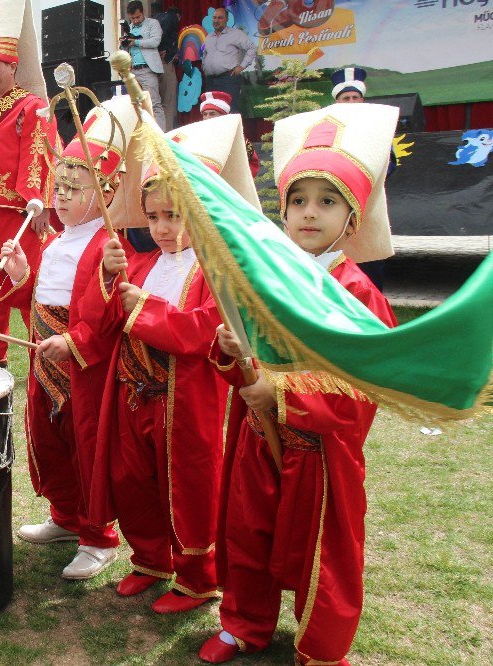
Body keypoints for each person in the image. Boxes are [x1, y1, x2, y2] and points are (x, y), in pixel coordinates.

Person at [198, 103, 399, 665]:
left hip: (323, 453)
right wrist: (230, 353)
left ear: (352, 219)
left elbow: (364, 385)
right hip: (257, 441)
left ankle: (322, 646)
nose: (310, 214)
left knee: (324, 552)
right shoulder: (267, 280)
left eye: (327, 202)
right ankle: (244, 623)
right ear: (282, 211)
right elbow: (242, 356)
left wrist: (282, 395)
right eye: (298, 201)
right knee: (247, 532)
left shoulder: (360, 295)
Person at [87, 114, 259, 615]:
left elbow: (201, 330)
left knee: (188, 485)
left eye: (176, 215)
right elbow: (105, 317)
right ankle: (149, 559)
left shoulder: (216, 271)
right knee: (134, 480)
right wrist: (108, 276)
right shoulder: (143, 263)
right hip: (131, 394)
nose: (163, 228)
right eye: (155, 215)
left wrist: (140, 306)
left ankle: (196, 578)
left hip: (184, 402)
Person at [0, 95, 139, 580]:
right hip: (44, 359)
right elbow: (36, 302)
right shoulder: (56, 240)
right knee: (48, 437)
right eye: (58, 186)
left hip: (84, 368)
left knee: (86, 444)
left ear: (104, 192)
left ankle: (98, 537)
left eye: (73, 189)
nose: (59, 196)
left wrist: (75, 341)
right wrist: (20, 275)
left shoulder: (109, 244)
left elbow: (108, 316)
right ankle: (65, 517)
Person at [0, 0, 58, 367]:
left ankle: (46, 354)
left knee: (27, 285)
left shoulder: (32, 106)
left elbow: (38, 153)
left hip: (18, 213)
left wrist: (38, 200)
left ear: (13, 66)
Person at [330, 66, 390, 290]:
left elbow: (389, 163)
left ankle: (373, 311)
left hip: (367, 203)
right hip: (336, 203)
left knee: (370, 258)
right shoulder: (329, 127)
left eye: (356, 97)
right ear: (338, 102)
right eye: (346, 98)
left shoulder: (377, 128)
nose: (352, 102)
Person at [201, 7, 255, 114]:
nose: (216, 21)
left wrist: (242, 66)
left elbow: (251, 48)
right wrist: (205, 68)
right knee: (212, 112)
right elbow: (205, 55)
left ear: (227, 20)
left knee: (230, 112)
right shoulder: (209, 37)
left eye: (220, 18)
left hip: (228, 80)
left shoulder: (235, 34)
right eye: (214, 18)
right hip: (211, 81)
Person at [122, 1, 166, 130]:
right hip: (132, 71)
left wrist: (135, 42)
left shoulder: (153, 23)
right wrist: (123, 43)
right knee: (135, 106)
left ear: (143, 12)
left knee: (154, 103)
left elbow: (155, 42)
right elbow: (126, 49)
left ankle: (161, 137)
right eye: (132, 18)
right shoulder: (128, 28)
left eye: (137, 17)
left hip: (147, 70)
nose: (135, 20)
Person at [197, 92, 260, 177]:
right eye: (205, 114)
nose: (207, 118)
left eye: (212, 114)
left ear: (223, 116)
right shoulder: (197, 135)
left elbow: (252, 162)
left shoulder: (236, 137)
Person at [153, 2, 181, 131]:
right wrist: (165, 50)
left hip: (153, 65)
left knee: (155, 103)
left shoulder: (156, 17)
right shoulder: (172, 17)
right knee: (168, 102)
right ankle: (167, 133)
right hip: (164, 63)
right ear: (178, 15)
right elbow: (163, 32)